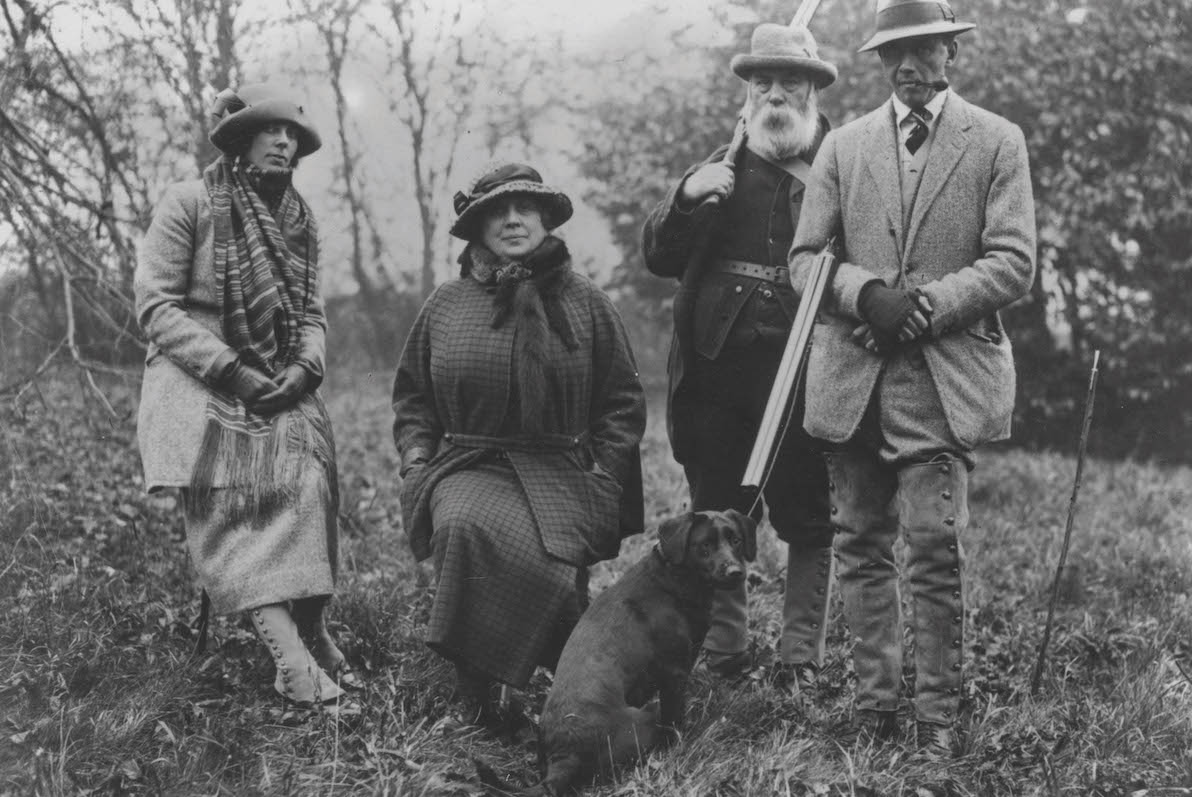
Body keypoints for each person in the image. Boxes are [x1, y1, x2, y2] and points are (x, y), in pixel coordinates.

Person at [788, 0, 1037, 755]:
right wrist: (865, 294)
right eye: (893, 52)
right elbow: (805, 260)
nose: (909, 65)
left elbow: (1014, 260)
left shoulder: (996, 140)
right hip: (852, 380)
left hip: (941, 382)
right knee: (860, 540)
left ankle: (936, 715)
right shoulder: (844, 147)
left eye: (924, 48)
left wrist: (923, 307)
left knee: (933, 544)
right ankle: (875, 708)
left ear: (951, 54)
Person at [392, 162, 646, 725]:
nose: (512, 220)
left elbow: (623, 404)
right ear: (477, 228)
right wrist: (416, 459)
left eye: (524, 209)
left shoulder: (587, 302)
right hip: (467, 462)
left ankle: (572, 694)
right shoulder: (446, 304)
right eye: (496, 212)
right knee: (462, 525)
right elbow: (412, 397)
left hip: (564, 468)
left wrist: (604, 472)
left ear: (545, 219)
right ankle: (479, 695)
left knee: (552, 570)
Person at [135, 84, 355, 706]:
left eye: (293, 135)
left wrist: (307, 366)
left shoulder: (299, 222)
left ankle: (312, 625)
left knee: (310, 474)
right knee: (237, 485)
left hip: (276, 374)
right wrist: (231, 369)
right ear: (238, 140)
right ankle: (290, 659)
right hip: (197, 374)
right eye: (270, 130)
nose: (284, 142)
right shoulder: (188, 202)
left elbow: (312, 314)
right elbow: (155, 307)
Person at [641, 22, 839, 693]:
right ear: (748, 95)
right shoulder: (717, 164)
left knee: (809, 512)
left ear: (813, 90)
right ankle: (724, 652)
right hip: (716, 373)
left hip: (807, 368)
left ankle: (799, 657)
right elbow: (659, 257)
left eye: (790, 82)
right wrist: (686, 198)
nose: (776, 94)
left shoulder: (845, 163)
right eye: (763, 84)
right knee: (719, 506)